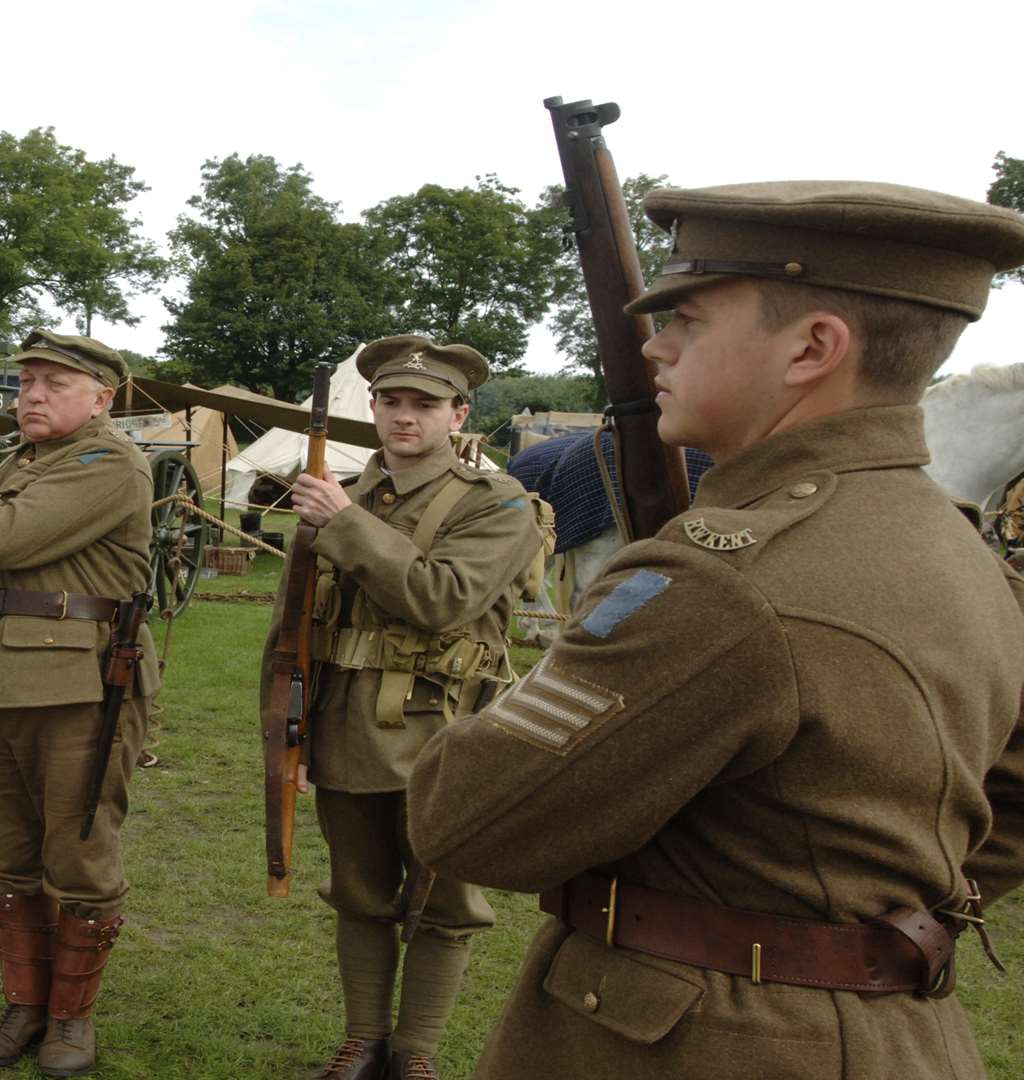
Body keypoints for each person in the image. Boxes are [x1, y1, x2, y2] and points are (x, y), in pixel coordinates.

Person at [407, 181, 1024, 1078]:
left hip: (695, 1043)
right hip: (893, 1036)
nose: (655, 345)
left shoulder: (721, 578)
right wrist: (877, 918)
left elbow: (467, 824)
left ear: (813, 348)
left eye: (687, 319)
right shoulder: (957, 542)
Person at [275, 336, 541, 1080]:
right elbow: (293, 627)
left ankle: (416, 1051)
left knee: (446, 900)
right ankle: (363, 1041)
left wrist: (342, 523)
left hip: (444, 729)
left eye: (424, 404)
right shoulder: (344, 495)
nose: (403, 416)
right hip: (345, 728)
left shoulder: (496, 501)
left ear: (458, 414)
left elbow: (442, 597)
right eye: (390, 401)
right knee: (359, 892)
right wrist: (286, 736)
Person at [0, 330, 161, 1077]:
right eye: (26, 382)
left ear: (102, 398)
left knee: (79, 852)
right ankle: (24, 1004)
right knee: (11, 852)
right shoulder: (26, 460)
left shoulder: (106, 461)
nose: (31, 396)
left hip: (81, 685)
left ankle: (69, 1020)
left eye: (54, 383)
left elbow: (3, 537)